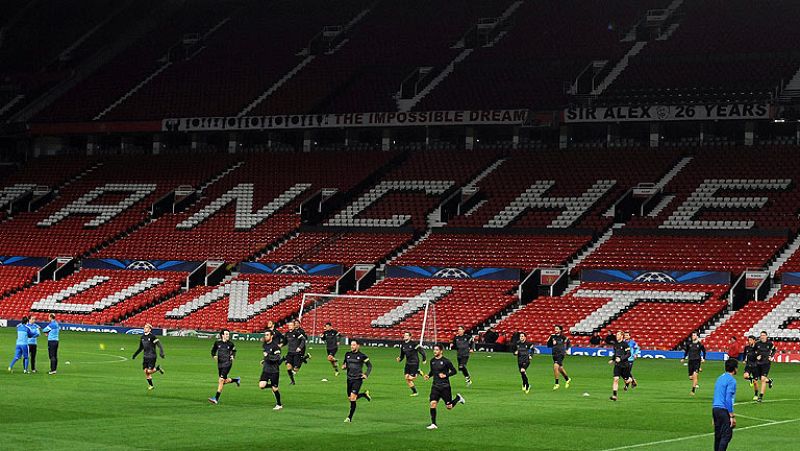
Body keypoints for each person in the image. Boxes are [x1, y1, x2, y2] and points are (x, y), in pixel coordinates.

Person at [424, 344, 465, 429]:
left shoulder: (446, 361)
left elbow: (454, 371)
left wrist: (446, 375)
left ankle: (458, 398)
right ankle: (433, 424)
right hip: (435, 386)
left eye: (436, 350)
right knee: (433, 403)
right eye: (434, 350)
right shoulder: (432, 361)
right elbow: (433, 371)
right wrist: (428, 375)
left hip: (445, 387)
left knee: (449, 407)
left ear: (441, 351)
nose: (435, 351)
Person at [342, 339, 372, 422]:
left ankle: (349, 418)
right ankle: (364, 394)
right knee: (350, 398)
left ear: (358, 346)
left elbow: (369, 366)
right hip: (349, 379)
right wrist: (344, 367)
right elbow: (345, 364)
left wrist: (366, 374)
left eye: (354, 345)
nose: (352, 346)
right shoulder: (347, 354)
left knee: (352, 398)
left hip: (358, 379)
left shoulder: (362, 356)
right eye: (351, 345)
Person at [712, 358, 738, 451]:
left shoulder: (720, 378)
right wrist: (731, 415)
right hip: (723, 410)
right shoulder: (731, 380)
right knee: (727, 435)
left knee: (718, 435)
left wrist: (713, 416)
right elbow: (728, 398)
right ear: (735, 369)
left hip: (715, 409)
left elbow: (716, 394)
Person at [209, 330, 240, 404]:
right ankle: (236, 380)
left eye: (228, 334)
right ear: (222, 335)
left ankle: (216, 398)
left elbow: (234, 351)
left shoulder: (231, 344)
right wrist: (214, 355)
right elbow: (213, 350)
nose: (227, 335)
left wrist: (232, 356)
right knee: (223, 381)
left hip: (227, 363)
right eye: (226, 334)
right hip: (220, 364)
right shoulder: (217, 343)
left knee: (221, 380)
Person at [131, 324, 165, 390]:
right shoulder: (142, 337)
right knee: (145, 371)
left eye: (146, 328)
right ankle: (151, 385)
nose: (145, 329)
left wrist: (161, 352)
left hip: (152, 356)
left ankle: (157, 369)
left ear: (150, 329)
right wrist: (135, 354)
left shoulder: (152, 336)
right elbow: (141, 347)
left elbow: (159, 344)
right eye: (144, 327)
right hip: (145, 356)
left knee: (149, 371)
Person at [397, 331, 427, 396]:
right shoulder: (403, 345)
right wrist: (399, 359)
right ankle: (415, 392)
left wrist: (424, 359)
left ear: (410, 337)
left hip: (414, 362)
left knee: (411, 378)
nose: (405, 336)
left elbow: (421, 351)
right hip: (408, 363)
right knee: (406, 378)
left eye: (406, 335)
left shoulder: (414, 344)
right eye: (404, 335)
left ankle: (418, 372)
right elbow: (402, 355)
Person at [259, 330, 283, 410]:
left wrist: (268, 356)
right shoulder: (265, 345)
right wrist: (264, 360)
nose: (265, 336)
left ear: (271, 336)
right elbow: (266, 356)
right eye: (265, 335)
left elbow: (277, 358)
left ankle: (279, 404)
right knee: (261, 385)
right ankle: (272, 386)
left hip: (274, 371)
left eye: (267, 335)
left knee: (275, 389)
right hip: (266, 369)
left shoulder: (275, 346)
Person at [608, 331, 632, 401]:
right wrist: (612, 360)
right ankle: (614, 396)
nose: (616, 336)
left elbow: (628, 354)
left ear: (622, 336)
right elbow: (615, 354)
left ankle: (630, 380)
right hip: (617, 365)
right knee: (616, 379)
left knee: (627, 380)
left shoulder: (625, 344)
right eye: (616, 334)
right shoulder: (615, 344)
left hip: (625, 365)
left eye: (618, 334)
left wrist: (621, 359)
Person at [754, 331, 777, 402]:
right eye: (761, 335)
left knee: (763, 379)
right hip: (758, 363)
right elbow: (754, 351)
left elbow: (774, 349)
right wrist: (756, 356)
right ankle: (769, 381)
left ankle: (760, 396)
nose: (762, 336)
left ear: (766, 336)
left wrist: (771, 356)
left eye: (763, 335)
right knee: (760, 379)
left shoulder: (770, 343)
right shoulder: (757, 343)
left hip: (766, 363)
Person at [681, 332, 706, 396]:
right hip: (690, 361)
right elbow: (686, 351)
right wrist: (683, 358)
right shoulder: (689, 344)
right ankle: (696, 378)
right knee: (691, 377)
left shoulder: (700, 344)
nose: (693, 336)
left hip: (697, 361)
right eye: (692, 335)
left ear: (697, 336)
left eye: (694, 335)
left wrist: (703, 358)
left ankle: (693, 391)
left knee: (695, 376)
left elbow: (704, 351)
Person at [547, 325, 571, 390]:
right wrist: (550, 341)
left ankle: (557, 383)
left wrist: (566, 349)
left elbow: (568, 342)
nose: (556, 330)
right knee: (560, 368)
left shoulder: (562, 336)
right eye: (555, 329)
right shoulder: (552, 336)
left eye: (557, 329)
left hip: (561, 353)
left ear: (560, 330)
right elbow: (548, 345)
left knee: (555, 366)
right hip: (554, 354)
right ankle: (567, 379)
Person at [284, 321, 306, 385]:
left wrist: (300, 347)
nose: (290, 326)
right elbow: (284, 342)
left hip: (296, 353)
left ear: (294, 326)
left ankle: (303, 359)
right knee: (288, 367)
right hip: (290, 353)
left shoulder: (296, 333)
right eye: (289, 325)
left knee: (295, 368)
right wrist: (280, 345)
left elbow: (303, 339)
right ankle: (292, 381)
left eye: (291, 325)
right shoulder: (287, 333)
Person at [741, 335, 760, 400]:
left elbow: (761, 355)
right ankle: (750, 379)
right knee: (745, 376)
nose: (749, 341)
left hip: (755, 366)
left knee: (755, 382)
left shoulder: (757, 348)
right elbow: (744, 354)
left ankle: (756, 394)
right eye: (748, 340)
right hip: (748, 365)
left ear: (754, 340)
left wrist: (759, 358)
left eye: (751, 340)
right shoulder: (747, 347)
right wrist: (744, 360)